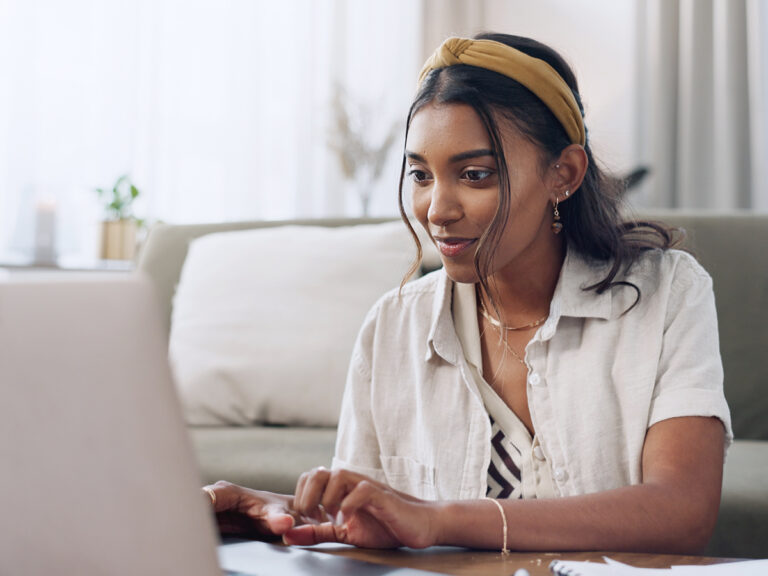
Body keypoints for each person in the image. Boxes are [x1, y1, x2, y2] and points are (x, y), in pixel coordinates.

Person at [203, 33, 732, 554]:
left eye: (474, 175)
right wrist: (273, 510)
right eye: (420, 175)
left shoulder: (667, 293)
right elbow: (370, 517)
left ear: (563, 175)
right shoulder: (394, 326)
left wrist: (439, 520)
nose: (436, 209)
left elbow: (682, 512)